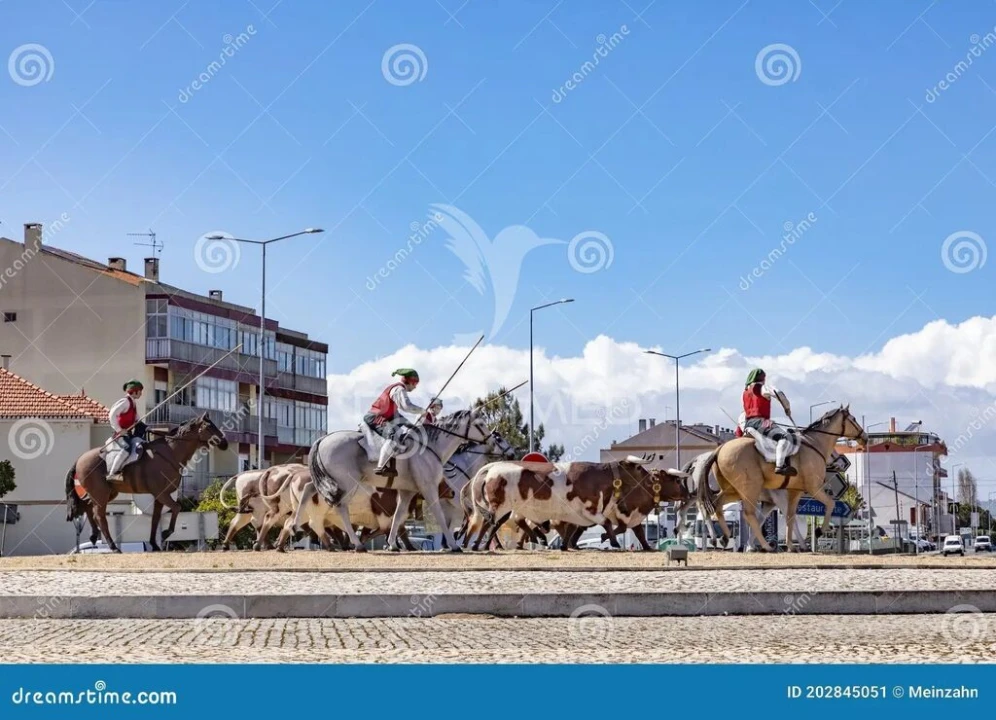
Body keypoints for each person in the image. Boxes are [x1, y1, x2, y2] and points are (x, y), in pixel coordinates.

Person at [364, 369, 426, 477]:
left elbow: (395, 414)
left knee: (400, 430)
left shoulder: (397, 389)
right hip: (376, 417)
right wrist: (422, 410)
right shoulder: (399, 390)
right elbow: (406, 406)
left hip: (382, 417)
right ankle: (381, 466)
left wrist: (409, 424)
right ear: (410, 381)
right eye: (415, 384)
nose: (415, 387)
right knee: (393, 433)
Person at [741, 368, 795, 476]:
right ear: (762, 378)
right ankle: (780, 466)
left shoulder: (745, 392)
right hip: (761, 422)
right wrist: (787, 408)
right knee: (785, 437)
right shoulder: (762, 388)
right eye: (764, 377)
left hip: (748, 423)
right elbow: (778, 392)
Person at [105, 379, 148, 481]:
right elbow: (112, 415)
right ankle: (112, 472)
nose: (141, 393)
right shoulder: (125, 402)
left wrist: (146, 427)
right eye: (140, 391)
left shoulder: (133, 404)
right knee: (127, 448)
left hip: (128, 433)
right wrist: (119, 430)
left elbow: (137, 419)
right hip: (119, 435)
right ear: (134, 391)